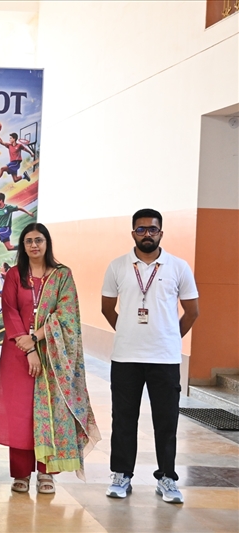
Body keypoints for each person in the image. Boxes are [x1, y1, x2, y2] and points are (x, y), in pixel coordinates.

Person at [0, 223, 100, 494]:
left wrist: (36, 338)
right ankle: (21, 473)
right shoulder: (15, 274)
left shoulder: (62, 275)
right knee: (21, 412)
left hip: (53, 354)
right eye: (28, 241)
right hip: (18, 351)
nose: (34, 245)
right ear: (23, 246)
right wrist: (27, 348)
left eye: (38, 240)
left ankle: (47, 472)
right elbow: (10, 311)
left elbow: (66, 313)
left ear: (47, 243)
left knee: (50, 409)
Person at [101, 208, 199, 504]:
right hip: (126, 358)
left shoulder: (178, 267)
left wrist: (169, 338)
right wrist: (129, 332)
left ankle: (167, 477)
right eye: (141, 229)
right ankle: (121, 474)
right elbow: (107, 307)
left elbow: (192, 311)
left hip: (165, 359)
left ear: (161, 233)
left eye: (152, 229)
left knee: (166, 421)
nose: (147, 234)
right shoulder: (118, 266)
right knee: (123, 419)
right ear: (133, 233)